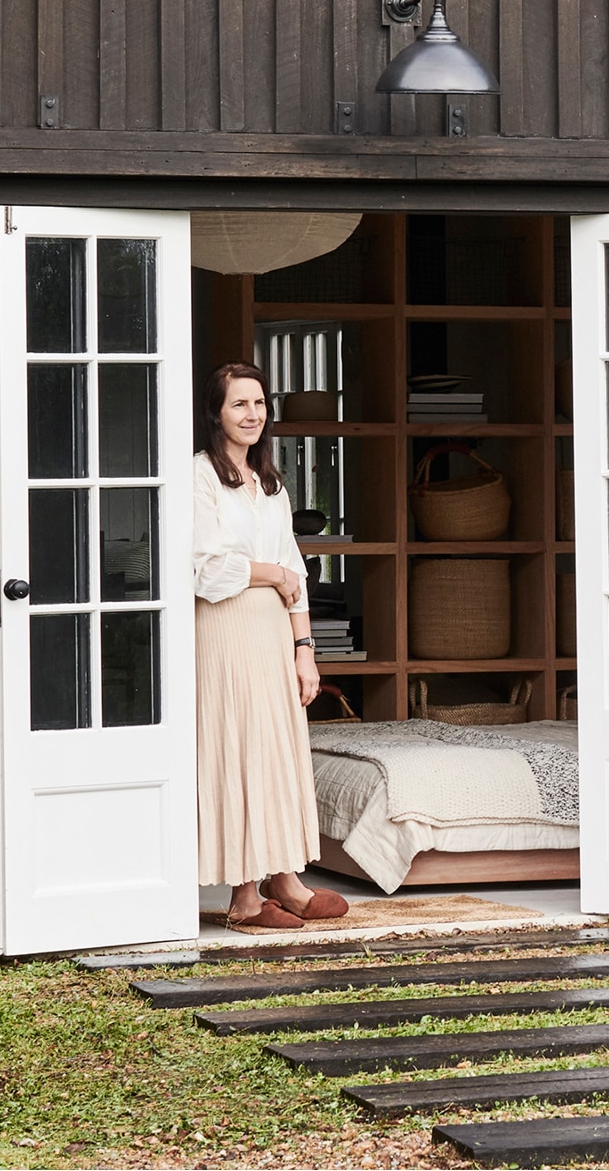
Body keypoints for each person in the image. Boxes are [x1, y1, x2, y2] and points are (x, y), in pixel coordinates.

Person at [192, 361, 349, 929]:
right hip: (225, 628)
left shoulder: (271, 486)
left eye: (258, 404)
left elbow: (296, 570)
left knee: (278, 749)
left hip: (273, 632)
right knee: (240, 746)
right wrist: (272, 575)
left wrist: (305, 649)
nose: (251, 414)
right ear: (217, 412)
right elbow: (206, 568)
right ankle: (243, 898)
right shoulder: (200, 477)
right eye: (239, 404)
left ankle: (285, 879)